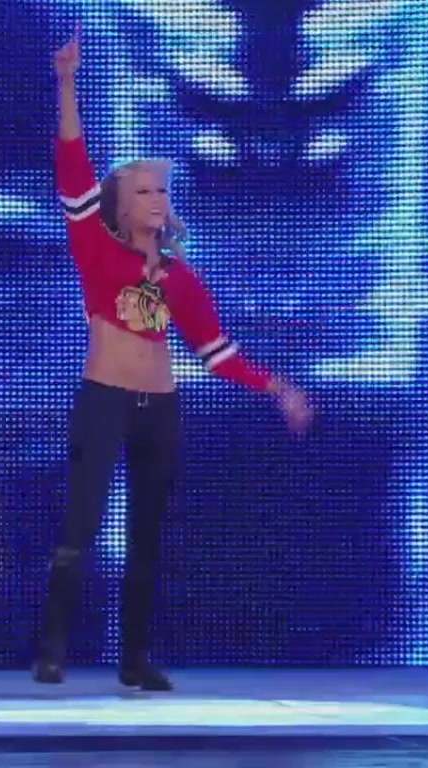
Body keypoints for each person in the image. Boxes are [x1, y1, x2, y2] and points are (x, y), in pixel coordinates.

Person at [35, 27, 314, 691]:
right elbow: (73, 165)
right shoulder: (95, 247)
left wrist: (277, 387)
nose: (158, 201)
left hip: (158, 408)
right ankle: (53, 650)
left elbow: (216, 352)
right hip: (104, 400)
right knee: (80, 527)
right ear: (119, 205)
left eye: (162, 192)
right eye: (144, 192)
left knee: (147, 533)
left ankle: (134, 658)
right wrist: (67, 83)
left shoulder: (181, 279)